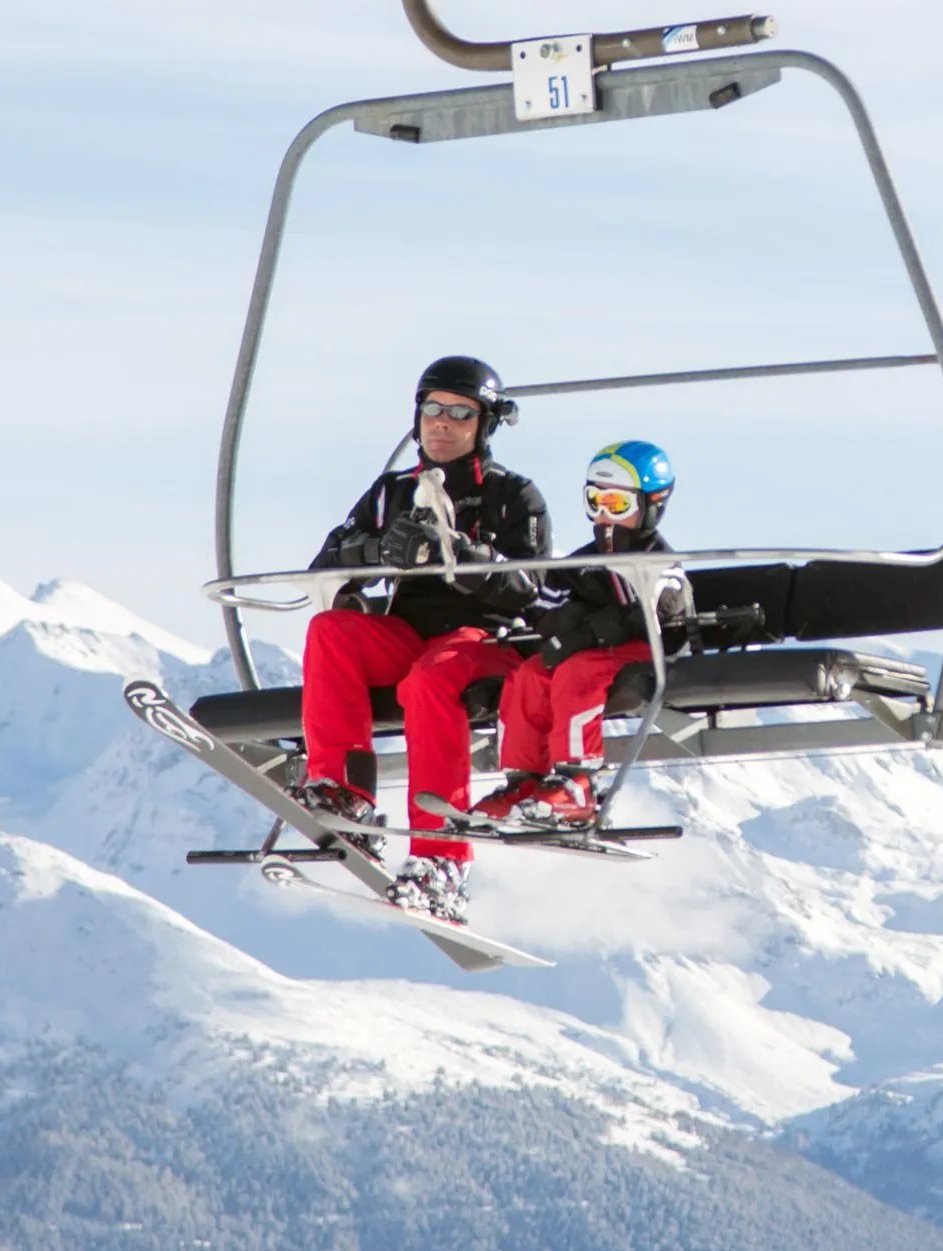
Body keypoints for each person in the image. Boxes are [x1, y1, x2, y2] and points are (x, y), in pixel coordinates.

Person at [297, 354, 548, 920]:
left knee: (430, 681)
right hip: (410, 634)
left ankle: (442, 856)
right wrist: (373, 553)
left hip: (483, 638)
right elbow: (326, 562)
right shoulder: (393, 493)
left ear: (485, 425)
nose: (442, 422)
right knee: (331, 630)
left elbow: (534, 587)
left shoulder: (515, 497)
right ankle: (345, 793)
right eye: (432, 408)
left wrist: (466, 556)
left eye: (460, 413)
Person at [471, 441, 693, 831]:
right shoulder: (583, 562)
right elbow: (543, 602)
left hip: (648, 649)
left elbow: (658, 611)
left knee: (578, 672)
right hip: (588, 649)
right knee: (529, 676)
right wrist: (550, 623)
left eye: (618, 505)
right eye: (596, 501)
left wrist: (587, 630)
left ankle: (577, 783)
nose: (604, 515)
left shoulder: (657, 562)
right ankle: (524, 781)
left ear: (653, 505)